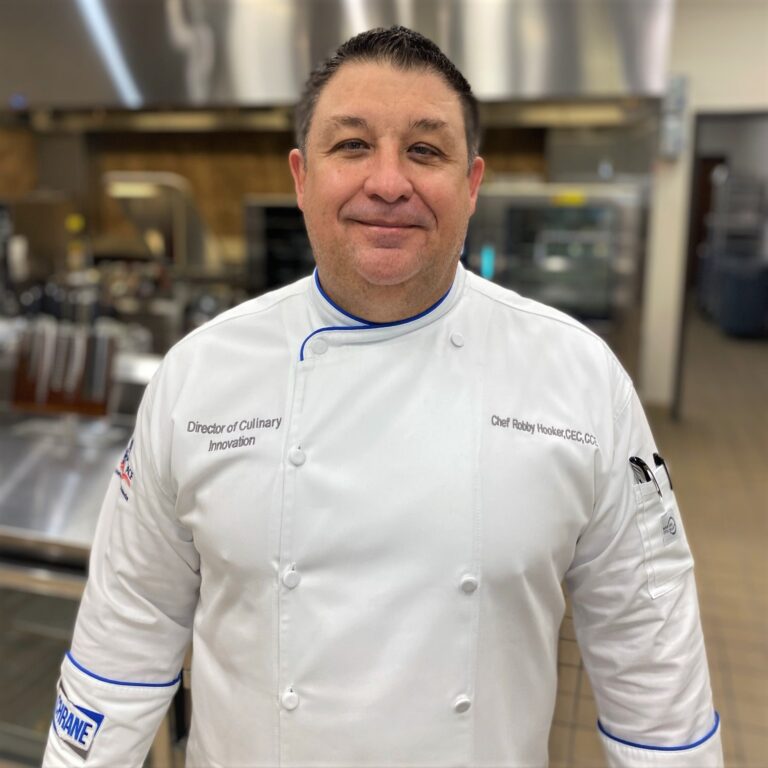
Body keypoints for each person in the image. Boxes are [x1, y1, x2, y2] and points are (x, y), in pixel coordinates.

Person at [44, 26, 723, 768]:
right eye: (353, 145)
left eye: (425, 150)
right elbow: (129, 622)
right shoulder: (199, 375)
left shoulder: (580, 376)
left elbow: (649, 643)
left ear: (472, 184)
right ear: (302, 177)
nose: (389, 182)